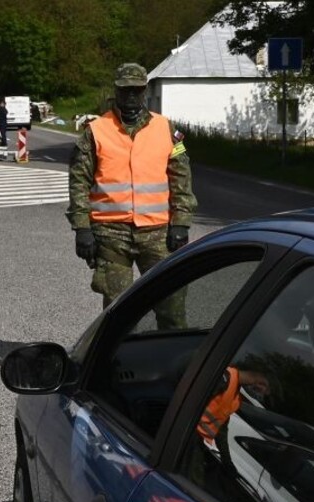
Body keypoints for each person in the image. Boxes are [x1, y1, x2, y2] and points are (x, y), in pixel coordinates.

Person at [67, 63, 198, 314]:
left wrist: (181, 222)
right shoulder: (95, 131)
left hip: (158, 233)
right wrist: (82, 228)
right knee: (117, 310)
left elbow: (181, 176)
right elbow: (79, 181)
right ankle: (114, 353)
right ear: (116, 91)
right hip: (111, 234)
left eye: (136, 90)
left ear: (145, 91)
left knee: (171, 305)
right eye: (125, 90)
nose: (130, 96)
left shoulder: (166, 129)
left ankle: (170, 351)